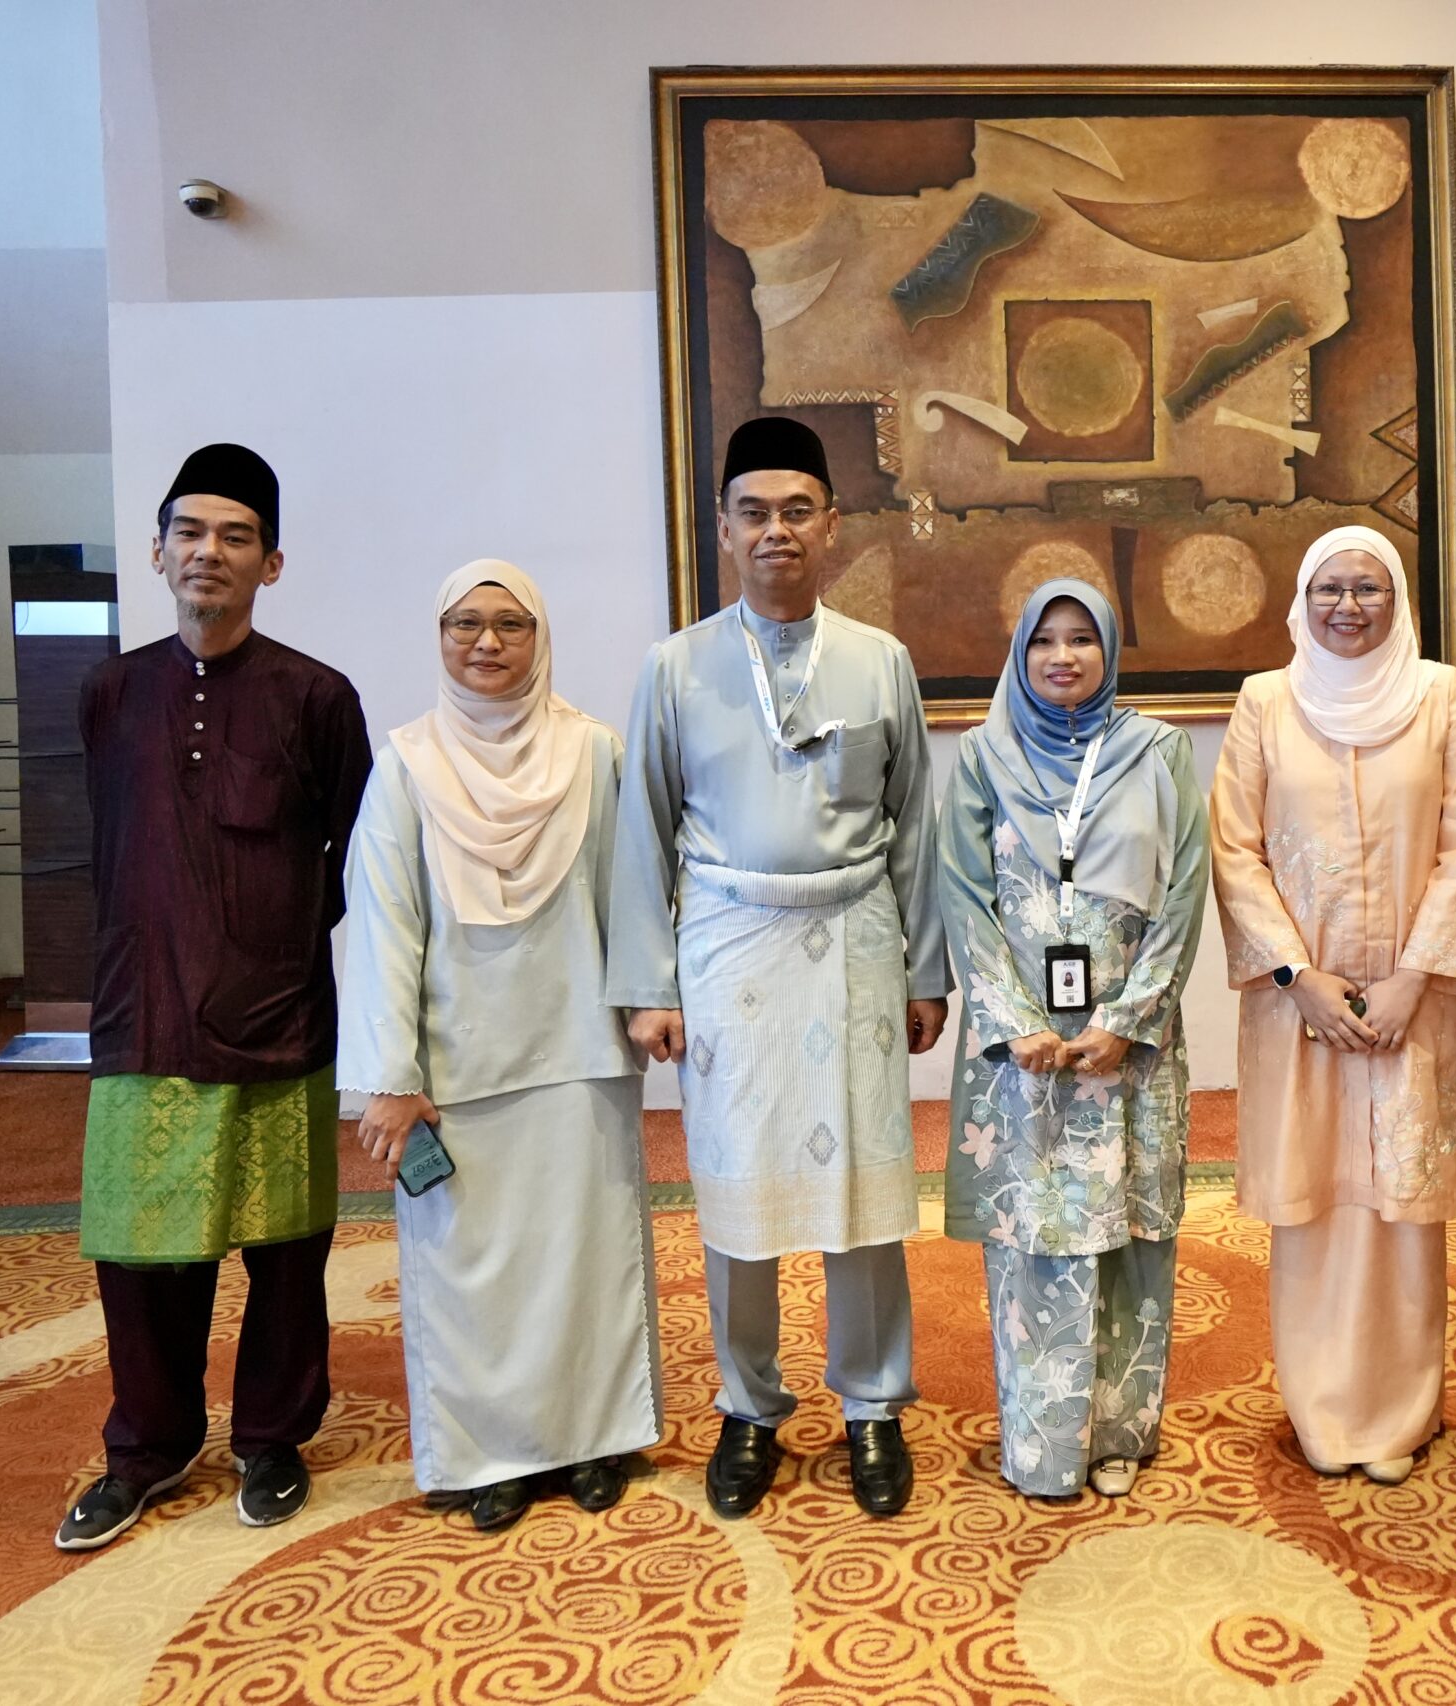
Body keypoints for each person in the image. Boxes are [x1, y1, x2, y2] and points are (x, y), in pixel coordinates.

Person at [609, 416, 948, 1521]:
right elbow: (642, 830)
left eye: (797, 510)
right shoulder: (675, 666)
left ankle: (873, 1403)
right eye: (753, 512)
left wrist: (925, 968)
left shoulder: (879, 659)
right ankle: (748, 1403)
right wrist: (649, 985)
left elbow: (913, 824)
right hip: (728, 949)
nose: (775, 531)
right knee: (736, 1188)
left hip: (853, 942)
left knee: (865, 1192)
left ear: (832, 523)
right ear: (722, 528)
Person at [57, 444, 373, 1551]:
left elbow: (358, 856)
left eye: (236, 536)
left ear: (271, 563)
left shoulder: (317, 697)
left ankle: (273, 1439)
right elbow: (113, 845)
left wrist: (273, 941)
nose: (210, 552)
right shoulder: (110, 693)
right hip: (141, 1014)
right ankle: (145, 1448)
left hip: (278, 1015)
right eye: (189, 531)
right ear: (157, 551)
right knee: (141, 1252)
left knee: (285, 1250)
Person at [338, 560, 661, 1532]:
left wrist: (647, 1000)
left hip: (577, 1051)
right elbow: (384, 923)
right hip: (453, 1068)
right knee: (469, 1272)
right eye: (465, 623)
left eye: (510, 624)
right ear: (439, 636)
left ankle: (596, 1437)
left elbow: (632, 892)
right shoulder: (406, 765)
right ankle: (489, 1455)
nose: (487, 642)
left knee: (586, 1261)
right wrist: (389, 1076)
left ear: (540, 636)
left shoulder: (592, 750)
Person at [1211, 525, 1456, 1484]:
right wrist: (1299, 978)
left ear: (1398, 600)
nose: (1348, 606)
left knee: (1403, 1208)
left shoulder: (1442, 696)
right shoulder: (1265, 701)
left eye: (1368, 588)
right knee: (1316, 1202)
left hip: (1418, 1003)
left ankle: (1401, 1413)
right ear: (1303, 601)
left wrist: (1414, 979)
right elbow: (1235, 850)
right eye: (1329, 588)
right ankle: (1322, 1413)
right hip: (1301, 1006)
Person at [939, 580, 1209, 1500]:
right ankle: (1042, 1443)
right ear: (1020, 653)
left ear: (1110, 653)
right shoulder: (983, 756)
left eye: (1082, 640)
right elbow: (963, 894)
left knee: (1131, 1230)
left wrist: (1125, 1021)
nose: (1063, 657)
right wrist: (1013, 1021)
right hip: (1024, 1052)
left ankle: (1122, 1432)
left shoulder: (1159, 752)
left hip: (1128, 1046)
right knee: (1034, 1241)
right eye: (1044, 640)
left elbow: (1185, 894)